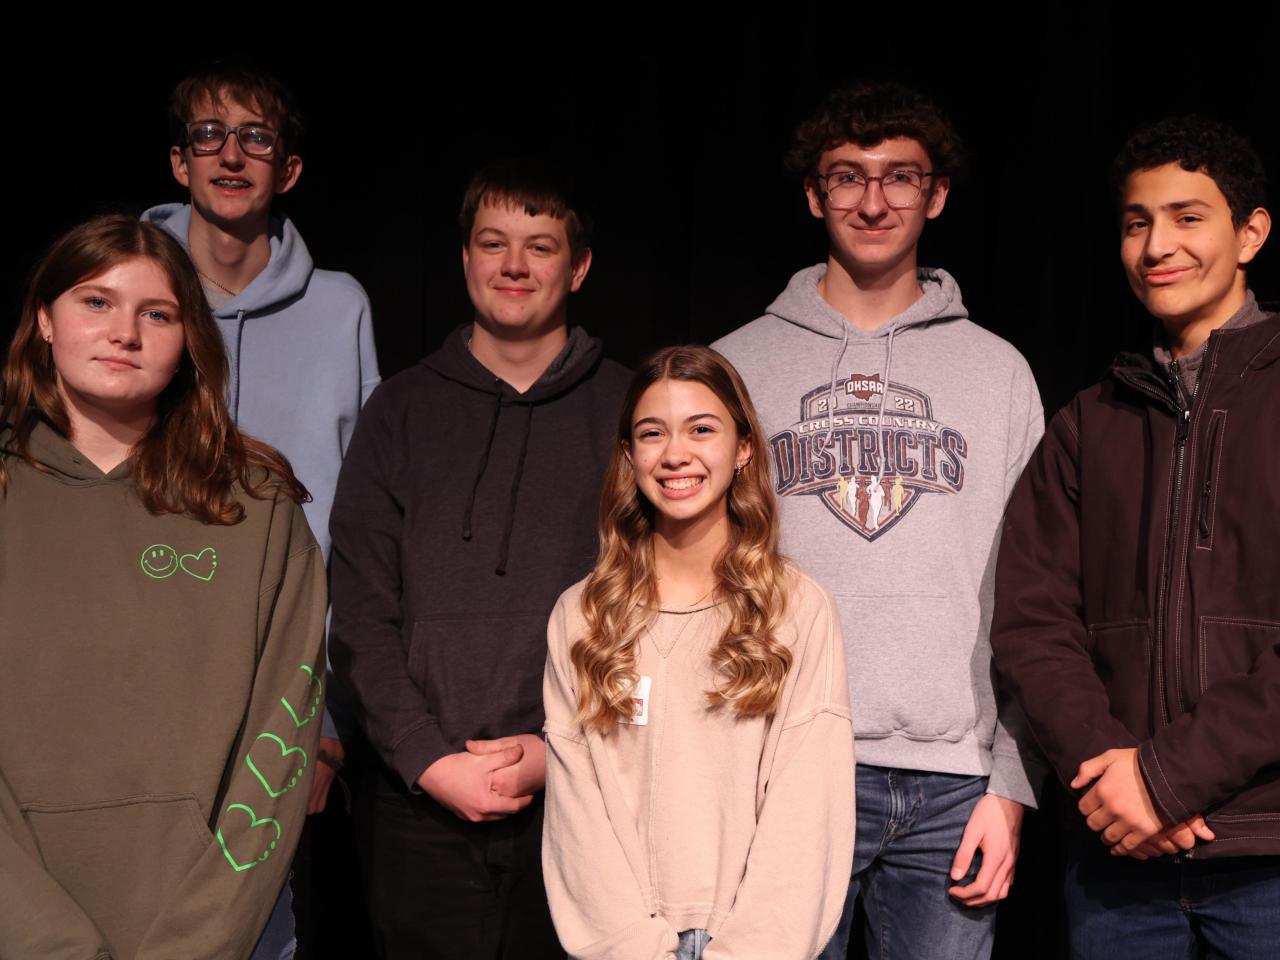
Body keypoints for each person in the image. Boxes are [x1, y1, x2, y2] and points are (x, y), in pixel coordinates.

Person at [713, 80, 1044, 960]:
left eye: (900, 177)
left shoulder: (999, 373)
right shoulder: (735, 366)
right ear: (814, 195)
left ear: (935, 196)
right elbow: (688, 578)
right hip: (775, 771)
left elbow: (1039, 595)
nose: (873, 200)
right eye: (847, 177)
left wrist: (1010, 786)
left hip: (952, 787)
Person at [0, 214, 326, 959]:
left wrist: (200, 941)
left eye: (157, 313)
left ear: (188, 344)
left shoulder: (256, 505)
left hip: (221, 932)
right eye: (96, 301)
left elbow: (281, 741)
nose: (125, 332)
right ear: (45, 320)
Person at [329, 158, 631, 959]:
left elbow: (655, 611)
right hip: (417, 798)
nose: (514, 265)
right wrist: (426, 757)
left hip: (586, 795)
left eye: (540, 245)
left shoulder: (634, 411)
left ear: (579, 266)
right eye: (493, 243)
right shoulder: (398, 409)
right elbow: (359, 610)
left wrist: (554, 750)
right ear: (465, 258)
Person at [992, 115, 1278, 957]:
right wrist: (1114, 777)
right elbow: (1032, 621)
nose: (1157, 245)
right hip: (1118, 861)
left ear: (1251, 233)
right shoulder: (1089, 421)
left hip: (1268, 850)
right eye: (1136, 222)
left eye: (1188, 218)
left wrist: (1166, 779)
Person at [542, 346, 855, 960]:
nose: (675, 454)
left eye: (701, 429)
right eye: (652, 433)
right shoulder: (581, 616)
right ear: (630, 457)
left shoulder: (796, 610)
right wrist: (635, 949)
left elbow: (806, 812)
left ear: (743, 448)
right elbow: (577, 818)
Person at [144, 62, 381, 817]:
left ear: (289, 170)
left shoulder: (340, 308)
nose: (232, 156)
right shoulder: (129, 293)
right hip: (142, 666)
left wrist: (332, 723)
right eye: (209, 136)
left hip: (284, 686)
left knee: (267, 929)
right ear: (181, 162)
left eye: (256, 137)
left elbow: (361, 523)